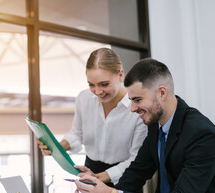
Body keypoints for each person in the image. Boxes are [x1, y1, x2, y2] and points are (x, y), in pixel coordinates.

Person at [68, 58, 215, 193]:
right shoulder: (155, 125)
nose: (132, 109)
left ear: (162, 93)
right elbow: (137, 172)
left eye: (138, 100)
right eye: (131, 100)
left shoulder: (202, 135)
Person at [38, 48, 147, 186]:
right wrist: (59, 147)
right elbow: (77, 134)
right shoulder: (84, 99)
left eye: (104, 84)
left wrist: (101, 177)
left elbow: (136, 158)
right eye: (91, 85)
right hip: (91, 169)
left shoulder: (137, 108)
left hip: (124, 175)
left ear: (120, 75)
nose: (98, 91)